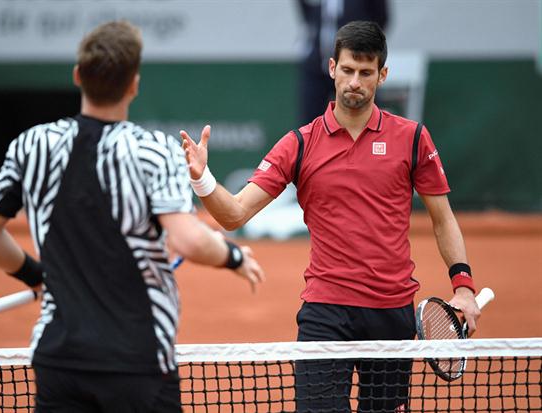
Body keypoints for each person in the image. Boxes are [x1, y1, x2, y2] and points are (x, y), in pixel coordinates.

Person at [181, 20, 480, 413]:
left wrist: (463, 285)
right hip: (325, 312)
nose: (355, 81)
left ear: (382, 75)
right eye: (348, 70)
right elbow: (235, 214)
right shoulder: (300, 143)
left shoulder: (411, 137)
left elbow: (443, 218)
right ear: (332, 68)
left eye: (366, 72)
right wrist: (202, 179)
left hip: (391, 313)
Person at [0, 20, 265, 413]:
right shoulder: (154, 150)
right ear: (134, 85)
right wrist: (234, 257)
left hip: (58, 360)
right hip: (137, 361)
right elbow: (189, 240)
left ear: (78, 76)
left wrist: (37, 275)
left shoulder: (31, 145)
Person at [298, 0, 389, 125]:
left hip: (355, 62)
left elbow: (381, 17)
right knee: (311, 120)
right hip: (317, 63)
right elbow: (307, 13)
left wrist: (363, 47)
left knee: (363, 113)